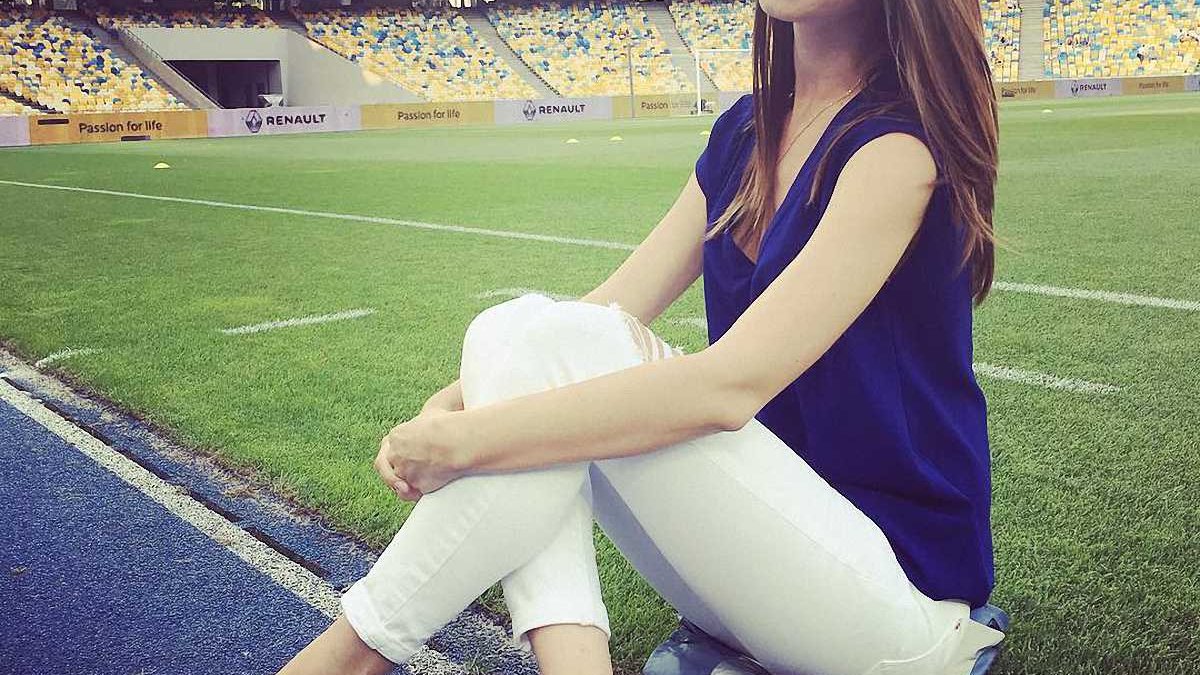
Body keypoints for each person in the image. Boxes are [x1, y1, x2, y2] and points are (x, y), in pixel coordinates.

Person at [275, 0, 1006, 673]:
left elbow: (728, 388)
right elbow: (606, 308)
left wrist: (467, 441)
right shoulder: (747, 130)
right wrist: (452, 403)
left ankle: (353, 652)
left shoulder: (896, 148)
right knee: (513, 325)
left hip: (894, 602)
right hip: (757, 570)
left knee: (551, 353)